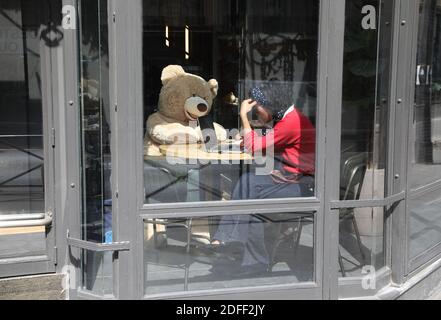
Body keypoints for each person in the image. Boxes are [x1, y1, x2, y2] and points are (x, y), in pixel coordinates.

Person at [208, 86, 316, 277]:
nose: (256, 113)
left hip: (303, 188)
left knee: (249, 187)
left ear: (270, 107)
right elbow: (261, 146)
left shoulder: (290, 122)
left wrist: (243, 116)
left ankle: (233, 243)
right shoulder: (289, 117)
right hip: (293, 178)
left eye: (258, 110)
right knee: (249, 186)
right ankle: (247, 256)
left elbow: (255, 148)